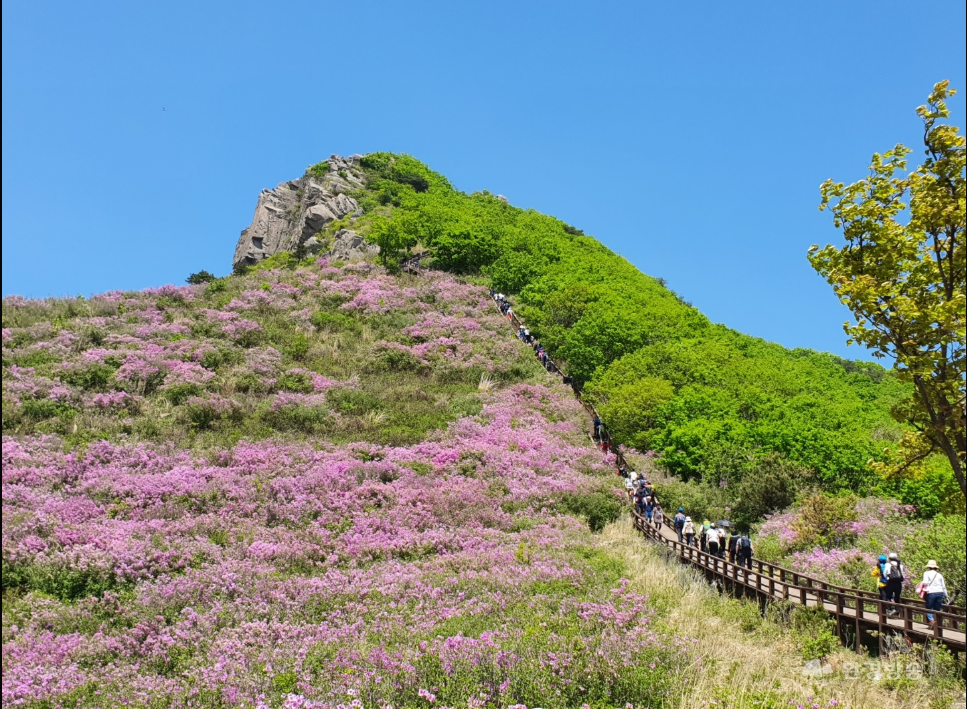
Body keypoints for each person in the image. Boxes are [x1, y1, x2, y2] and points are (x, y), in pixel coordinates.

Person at [921, 560, 948, 626]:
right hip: (940, 592)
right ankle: (937, 624)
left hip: (931, 592)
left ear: (929, 567)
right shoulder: (939, 575)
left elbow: (925, 582)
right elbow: (943, 586)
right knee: (937, 609)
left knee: (928, 608)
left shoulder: (926, 573)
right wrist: (946, 596)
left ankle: (932, 620)